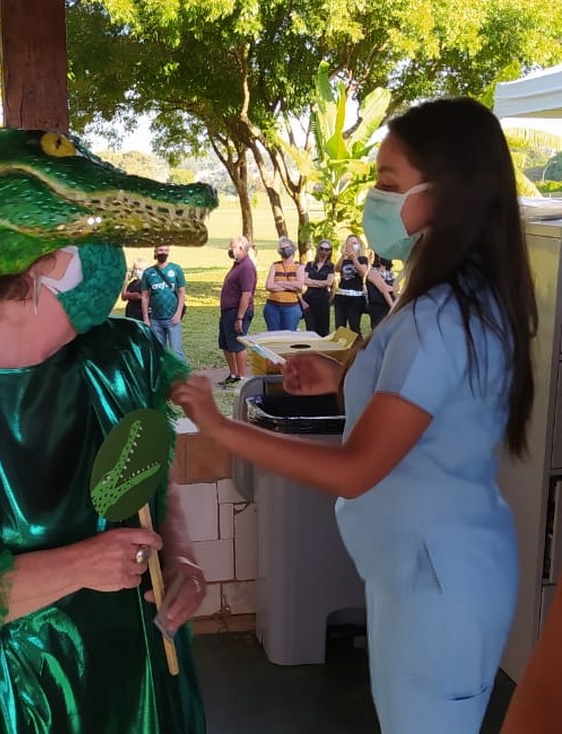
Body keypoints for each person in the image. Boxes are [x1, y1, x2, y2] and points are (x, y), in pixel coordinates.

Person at [171, 97, 536, 734]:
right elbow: (429, 417)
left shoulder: (440, 314)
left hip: (438, 588)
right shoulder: (456, 295)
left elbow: (358, 469)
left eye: (389, 184)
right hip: (431, 572)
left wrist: (226, 429)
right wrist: (342, 382)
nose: (375, 198)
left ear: (447, 194)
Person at [0, 128, 213, 734]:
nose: (113, 262)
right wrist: (76, 566)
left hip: (146, 674)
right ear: (41, 260)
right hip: (36, 695)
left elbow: (153, 483)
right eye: (95, 239)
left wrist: (180, 558)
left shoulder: (119, 353)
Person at [217, 235, 257, 386]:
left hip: (237, 311)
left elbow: (246, 295)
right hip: (228, 311)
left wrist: (240, 318)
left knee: (238, 344)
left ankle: (242, 378)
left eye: (231, 246)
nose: (229, 249)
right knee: (226, 344)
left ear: (241, 248)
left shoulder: (247, 267)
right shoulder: (237, 264)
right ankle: (233, 374)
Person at [141, 244, 187, 362]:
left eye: (166, 250)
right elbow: (145, 296)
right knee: (159, 351)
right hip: (156, 319)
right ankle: (163, 377)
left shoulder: (176, 269)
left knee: (176, 350)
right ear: (155, 252)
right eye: (161, 250)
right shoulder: (148, 273)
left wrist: (178, 313)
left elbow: (182, 292)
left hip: (172, 318)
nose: (163, 253)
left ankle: (182, 377)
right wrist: (146, 317)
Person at [263, 236, 305, 331]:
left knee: (288, 335)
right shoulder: (275, 265)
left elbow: (299, 285)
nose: (285, 250)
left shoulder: (300, 266)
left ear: (293, 248)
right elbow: (269, 286)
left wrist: (279, 283)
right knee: (273, 335)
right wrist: (290, 285)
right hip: (272, 306)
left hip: (291, 307)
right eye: (282, 248)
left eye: (287, 247)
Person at [334, 234, 369, 334]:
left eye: (354, 243)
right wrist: (343, 256)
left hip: (355, 297)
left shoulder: (363, 259)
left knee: (354, 326)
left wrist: (354, 258)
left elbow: (363, 273)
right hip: (341, 295)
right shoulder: (344, 259)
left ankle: (358, 347)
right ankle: (341, 347)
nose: (352, 246)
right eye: (349, 243)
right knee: (340, 326)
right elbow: (337, 269)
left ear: (359, 245)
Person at [302, 239, 336, 336]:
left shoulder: (330, 266)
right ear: (318, 250)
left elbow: (329, 282)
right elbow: (304, 280)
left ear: (330, 251)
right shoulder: (310, 264)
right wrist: (321, 283)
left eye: (327, 249)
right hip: (309, 298)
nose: (324, 252)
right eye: (322, 249)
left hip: (323, 299)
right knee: (310, 326)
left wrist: (312, 282)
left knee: (323, 327)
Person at [365, 254, 396, 328]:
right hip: (378, 306)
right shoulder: (373, 271)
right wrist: (393, 307)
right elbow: (384, 289)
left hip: (388, 305)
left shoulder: (390, 273)